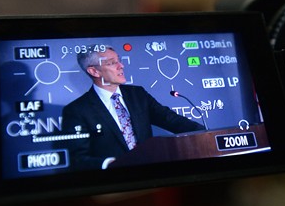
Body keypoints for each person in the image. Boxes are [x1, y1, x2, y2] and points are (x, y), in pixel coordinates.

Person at [61, 45, 204, 170]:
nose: (121, 66)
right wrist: (111, 164)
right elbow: (77, 159)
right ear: (94, 72)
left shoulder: (137, 94)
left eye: (119, 61)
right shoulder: (76, 110)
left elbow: (171, 120)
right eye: (112, 63)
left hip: (152, 174)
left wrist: (207, 135)